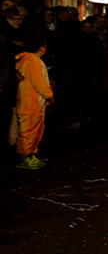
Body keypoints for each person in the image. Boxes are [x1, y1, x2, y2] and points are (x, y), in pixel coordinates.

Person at [13, 32, 53, 169]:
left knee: (33, 130)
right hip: (31, 103)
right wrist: (49, 95)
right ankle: (23, 158)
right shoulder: (32, 61)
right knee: (28, 131)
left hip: (32, 103)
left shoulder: (27, 60)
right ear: (42, 47)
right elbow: (39, 83)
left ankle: (30, 155)